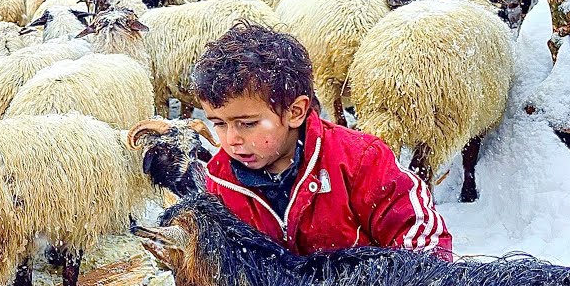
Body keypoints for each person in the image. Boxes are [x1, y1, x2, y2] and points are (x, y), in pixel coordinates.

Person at [190, 22, 452, 259]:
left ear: (295, 112)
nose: (232, 139)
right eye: (219, 124)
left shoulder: (360, 161)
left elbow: (420, 237)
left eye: (247, 124)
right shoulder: (220, 182)